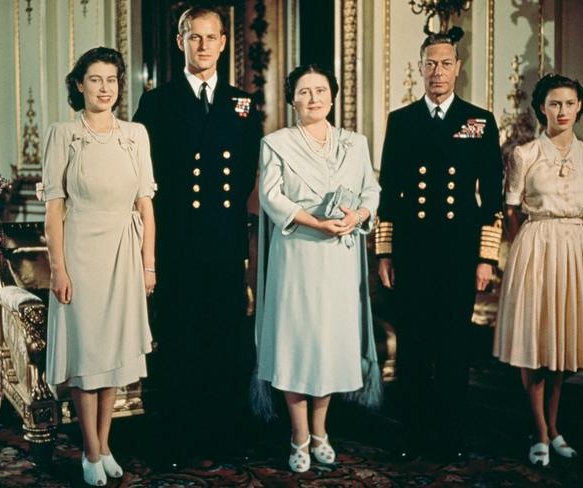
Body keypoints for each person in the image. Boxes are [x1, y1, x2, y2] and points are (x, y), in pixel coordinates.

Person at [133, 6, 261, 466]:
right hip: (177, 244)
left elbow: (247, 172)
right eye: (195, 37)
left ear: (225, 43)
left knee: (224, 341)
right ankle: (175, 440)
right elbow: (144, 177)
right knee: (179, 340)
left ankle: (221, 437)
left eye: (212, 37)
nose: (204, 46)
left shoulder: (243, 103)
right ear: (181, 41)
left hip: (224, 245)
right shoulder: (156, 102)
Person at [375, 30, 504, 461]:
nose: (437, 72)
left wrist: (487, 257)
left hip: (458, 252)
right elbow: (388, 191)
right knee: (413, 344)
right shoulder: (402, 119)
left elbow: (493, 194)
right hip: (412, 251)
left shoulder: (478, 120)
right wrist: (385, 251)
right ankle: (413, 433)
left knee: (452, 345)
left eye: (445, 63)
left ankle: (450, 436)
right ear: (420, 67)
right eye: (430, 63)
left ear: (458, 68)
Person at [254, 64, 381, 473]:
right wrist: (316, 222)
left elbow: (371, 190)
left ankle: (321, 431)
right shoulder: (276, 143)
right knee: (298, 342)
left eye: (321, 90)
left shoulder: (354, 143)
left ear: (333, 95)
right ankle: (298, 435)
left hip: (339, 256)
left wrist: (358, 215)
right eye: (304, 92)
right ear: (292, 99)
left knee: (329, 344)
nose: (313, 98)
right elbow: (272, 199)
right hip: (298, 254)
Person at [41, 47, 156, 486]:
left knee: (110, 357)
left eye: (111, 80)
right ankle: (89, 450)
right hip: (81, 252)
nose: (104, 88)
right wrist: (58, 268)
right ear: (78, 85)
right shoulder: (62, 134)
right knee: (87, 356)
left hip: (124, 253)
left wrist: (148, 265)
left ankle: (105, 444)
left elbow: (146, 207)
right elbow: (54, 210)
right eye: (95, 79)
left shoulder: (136, 134)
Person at [493, 74, 583, 467]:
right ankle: (539, 432)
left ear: (579, 107)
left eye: (570, 103)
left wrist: (568, 236)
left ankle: (555, 428)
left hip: (573, 248)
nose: (562, 111)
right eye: (555, 103)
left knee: (561, 344)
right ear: (542, 107)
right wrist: (530, 246)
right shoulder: (524, 155)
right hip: (535, 246)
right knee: (536, 343)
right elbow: (510, 210)